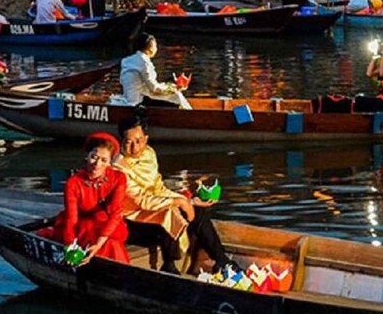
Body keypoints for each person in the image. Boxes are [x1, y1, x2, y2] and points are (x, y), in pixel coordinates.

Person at [115, 113, 239, 275]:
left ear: (146, 139)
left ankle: (222, 260)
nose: (135, 147)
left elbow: (159, 189)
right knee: (169, 211)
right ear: (121, 142)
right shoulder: (118, 166)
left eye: (138, 141)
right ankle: (169, 264)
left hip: (155, 211)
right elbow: (142, 200)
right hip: (133, 220)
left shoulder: (149, 153)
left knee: (198, 213)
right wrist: (180, 202)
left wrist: (188, 200)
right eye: (128, 142)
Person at [39, 133, 130, 265]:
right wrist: (70, 246)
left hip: (107, 224)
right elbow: (72, 219)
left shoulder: (118, 178)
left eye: (103, 160)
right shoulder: (73, 182)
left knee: (111, 243)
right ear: (87, 157)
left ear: (109, 163)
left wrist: (98, 244)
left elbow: (116, 213)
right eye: (94, 157)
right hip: (82, 226)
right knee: (93, 240)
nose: (97, 164)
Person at [118, 35, 190, 109]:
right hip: (138, 101)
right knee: (176, 95)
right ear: (150, 47)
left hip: (129, 97)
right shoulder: (144, 62)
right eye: (155, 46)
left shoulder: (126, 60)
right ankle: (191, 116)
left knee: (173, 94)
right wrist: (174, 89)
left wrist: (171, 86)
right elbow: (154, 89)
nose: (156, 48)